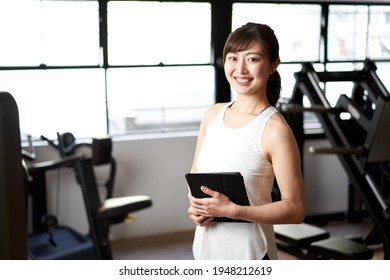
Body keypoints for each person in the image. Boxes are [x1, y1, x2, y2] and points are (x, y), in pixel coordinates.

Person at [187, 22, 306, 260]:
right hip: (206, 251)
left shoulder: (274, 130)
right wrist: (196, 207)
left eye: (252, 59)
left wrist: (236, 211)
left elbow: (296, 209)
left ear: (273, 64)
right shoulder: (212, 115)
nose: (240, 69)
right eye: (233, 58)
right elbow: (195, 176)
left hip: (251, 254)